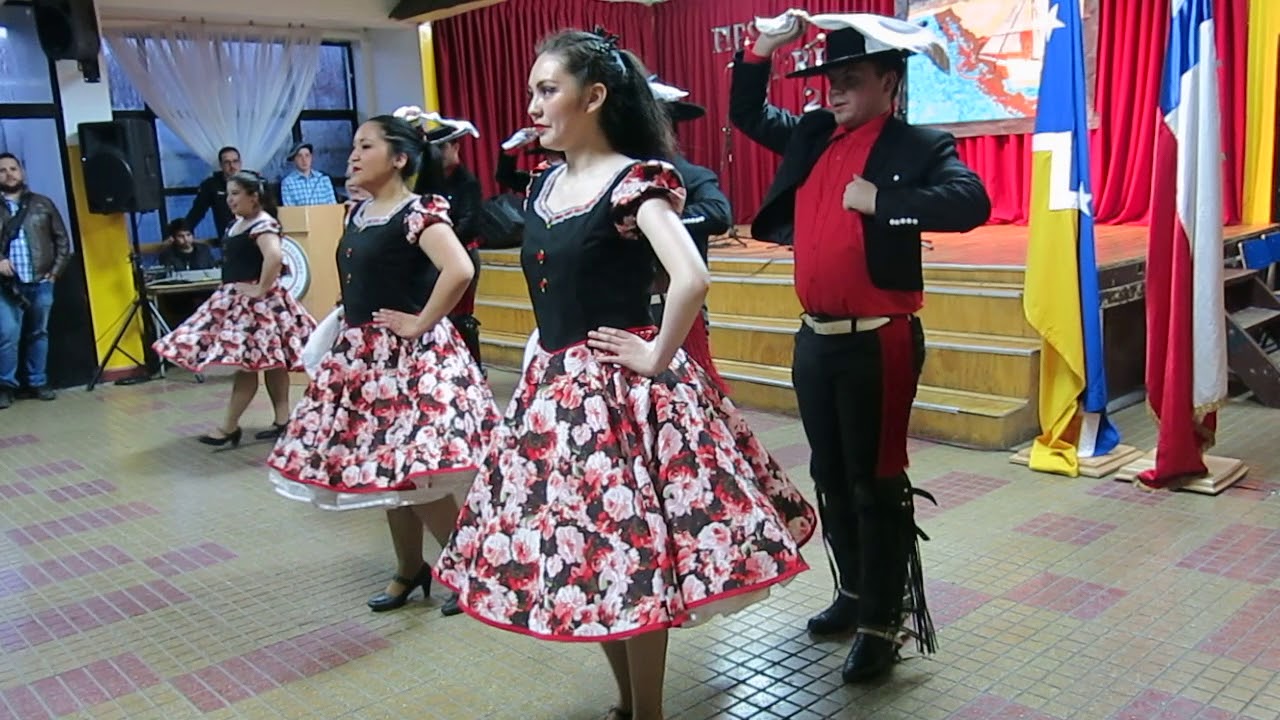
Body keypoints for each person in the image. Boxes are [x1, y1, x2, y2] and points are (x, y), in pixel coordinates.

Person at [434, 29, 816, 720]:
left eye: (548, 89)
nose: (534, 103)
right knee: (590, 559)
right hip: (555, 397)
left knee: (632, 555)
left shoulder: (635, 180)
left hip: (619, 397)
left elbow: (691, 276)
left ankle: (648, 711)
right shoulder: (548, 182)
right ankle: (629, 702)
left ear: (596, 96)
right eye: (532, 90)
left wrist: (656, 354)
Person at [731, 11, 991, 682]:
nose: (835, 92)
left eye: (850, 79)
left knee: (877, 484)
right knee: (829, 476)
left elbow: (971, 203)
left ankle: (885, 621)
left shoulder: (918, 145)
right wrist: (760, 48)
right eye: (830, 80)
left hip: (882, 340)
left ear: (888, 81)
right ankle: (851, 594)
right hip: (815, 339)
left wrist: (886, 201)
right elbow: (747, 114)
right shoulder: (815, 134)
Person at [267, 116, 500, 617]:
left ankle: (468, 567)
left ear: (398, 158)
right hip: (364, 362)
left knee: (409, 473)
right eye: (353, 146)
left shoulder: (418, 213)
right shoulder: (358, 212)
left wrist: (420, 322)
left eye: (365, 146)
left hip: (407, 363)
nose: (352, 155)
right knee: (390, 477)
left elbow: (459, 268)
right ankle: (410, 568)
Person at [153, 170, 316, 445]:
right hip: (242, 300)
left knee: (249, 365)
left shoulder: (262, 224)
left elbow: (274, 256)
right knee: (270, 363)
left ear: (255, 196)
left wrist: (261, 288)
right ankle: (282, 420)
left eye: (236, 193)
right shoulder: (239, 223)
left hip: (255, 304)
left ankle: (230, 426)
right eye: (228, 194)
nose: (230, 200)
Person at [647, 76, 733, 395]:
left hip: (675, 306)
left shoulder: (692, 176)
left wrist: (664, 223)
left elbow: (718, 214)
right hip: (628, 309)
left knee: (691, 394)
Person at [0, 152, 73, 408]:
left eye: (13, 168)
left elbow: (62, 240)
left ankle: (37, 381)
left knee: (38, 333)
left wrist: (54, 273)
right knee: (8, 333)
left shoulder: (42, 203)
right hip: (6, 287)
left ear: (22, 172)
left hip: (41, 281)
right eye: (2, 170)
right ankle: (6, 386)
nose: (9, 174)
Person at [423, 118, 485, 367]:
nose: (439, 154)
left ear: (455, 147)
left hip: (462, 255)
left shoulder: (467, 182)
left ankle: (473, 368)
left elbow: (471, 223)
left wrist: (444, 244)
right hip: (431, 258)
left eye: (443, 148)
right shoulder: (428, 181)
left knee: (461, 316)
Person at [185, 146, 242, 242]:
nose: (232, 166)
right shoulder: (211, 185)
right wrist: (183, 231)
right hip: (229, 239)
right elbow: (197, 212)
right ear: (221, 165)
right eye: (227, 162)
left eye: (235, 161)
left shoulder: (253, 182)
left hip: (256, 237)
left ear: (240, 163)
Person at [280, 141, 337, 206]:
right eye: (299, 156)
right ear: (294, 159)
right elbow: (290, 211)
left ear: (311, 158)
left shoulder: (323, 179)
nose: (304, 160)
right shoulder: (288, 183)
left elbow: (333, 206)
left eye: (307, 155)